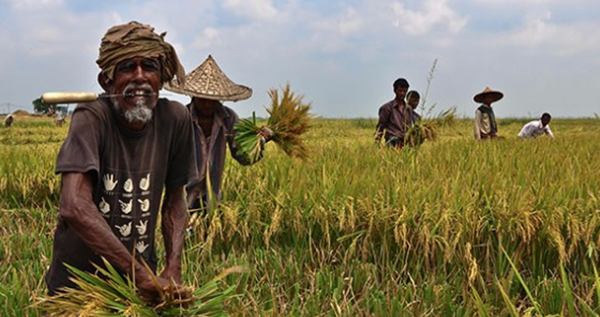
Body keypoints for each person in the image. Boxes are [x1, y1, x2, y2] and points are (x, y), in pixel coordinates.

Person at [45, 21, 197, 304]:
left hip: (140, 290)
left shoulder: (175, 119)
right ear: (107, 81)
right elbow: (74, 206)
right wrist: (140, 275)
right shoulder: (91, 116)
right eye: (127, 67)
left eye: (149, 67)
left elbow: (175, 199)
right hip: (80, 288)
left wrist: (173, 266)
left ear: (162, 78)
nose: (139, 76)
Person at [165, 55, 273, 217]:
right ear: (193, 96)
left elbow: (243, 156)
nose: (208, 104)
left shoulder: (229, 119)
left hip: (212, 198)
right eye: (203, 100)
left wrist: (260, 141)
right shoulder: (182, 117)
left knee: (209, 236)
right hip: (182, 197)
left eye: (213, 100)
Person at [375, 78, 414, 148]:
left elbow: (409, 127)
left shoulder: (409, 109)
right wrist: (377, 144)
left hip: (405, 143)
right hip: (392, 142)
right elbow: (380, 127)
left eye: (405, 91)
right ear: (395, 91)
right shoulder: (387, 108)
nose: (402, 93)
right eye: (400, 91)